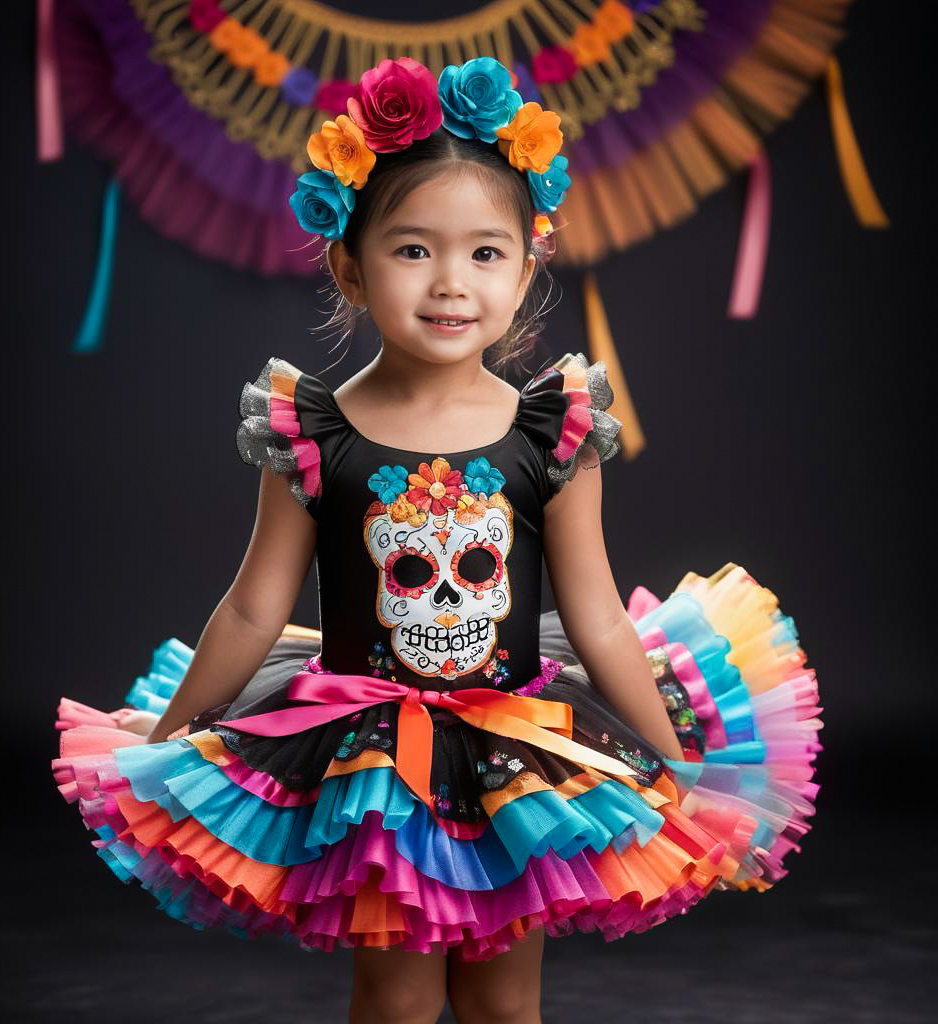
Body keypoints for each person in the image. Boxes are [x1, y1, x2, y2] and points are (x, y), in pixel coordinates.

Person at [53, 56, 823, 1024]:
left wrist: (674, 758)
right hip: (369, 767)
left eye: (485, 252)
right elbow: (256, 603)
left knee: (506, 1000)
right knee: (396, 998)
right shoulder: (310, 433)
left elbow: (592, 611)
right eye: (413, 249)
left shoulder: (552, 431)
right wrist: (169, 739)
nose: (451, 282)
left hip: (518, 756)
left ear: (527, 263)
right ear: (348, 260)